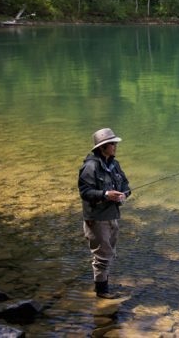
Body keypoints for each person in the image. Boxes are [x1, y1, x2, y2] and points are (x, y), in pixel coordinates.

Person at [78, 128, 131, 299]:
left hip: (112, 216)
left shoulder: (114, 164)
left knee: (109, 253)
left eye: (115, 143)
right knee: (102, 256)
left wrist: (124, 194)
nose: (115, 146)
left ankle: (103, 285)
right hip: (96, 219)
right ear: (102, 147)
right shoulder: (90, 166)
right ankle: (102, 292)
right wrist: (106, 195)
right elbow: (85, 192)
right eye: (112, 144)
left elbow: (125, 184)